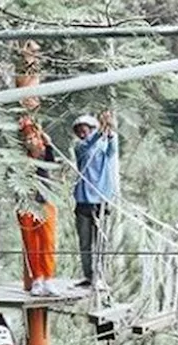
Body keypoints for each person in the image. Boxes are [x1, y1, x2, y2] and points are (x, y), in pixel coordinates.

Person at [72, 110, 118, 290]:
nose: (83, 133)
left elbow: (112, 149)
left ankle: (99, 276)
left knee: (100, 242)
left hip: (101, 200)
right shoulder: (80, 147)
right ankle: (88, 275)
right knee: (85, 242)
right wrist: (100, 132)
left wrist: (109, 131)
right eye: (80, 131)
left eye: (86, 130)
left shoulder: (104, 147)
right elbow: (89, 144)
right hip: (83, 200)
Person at [17, 117, 58, 297]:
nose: (30, 141)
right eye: (27, 138)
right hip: (26, 204)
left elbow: (51, 161)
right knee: (31, 243)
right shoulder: (19, 157)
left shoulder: (44, 153)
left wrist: (47, 142)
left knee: (47, 241)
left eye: (33, 137)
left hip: (44, 203)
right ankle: (37, 279)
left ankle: (48, 278)